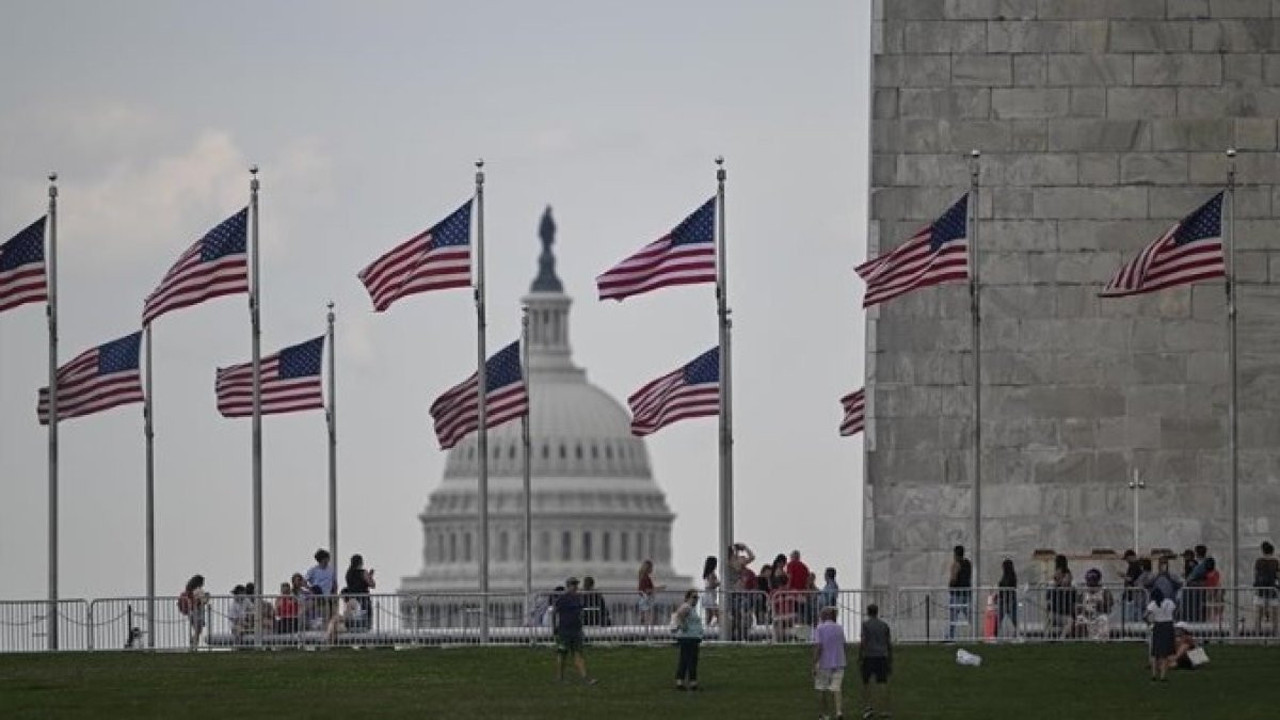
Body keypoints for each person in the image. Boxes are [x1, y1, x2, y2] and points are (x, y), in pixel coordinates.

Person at [553, 577, 597, 685]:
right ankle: (560, 677)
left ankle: (586, 677)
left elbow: (580, 614)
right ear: (568, 586)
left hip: (575, 630)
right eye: (573, 585)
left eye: (576, 585)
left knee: (578, 655)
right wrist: (555, 628)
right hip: (564, 631)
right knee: (562, 655)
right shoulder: (562, 599)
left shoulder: (578, 598)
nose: (576, 587)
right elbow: (555, 612)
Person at [812, 605, 848, 720]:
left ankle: (825, 714)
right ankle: (838, 711)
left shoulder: (820, 628)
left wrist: (814, 662)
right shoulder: (839, 628)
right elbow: (843, 644)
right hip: (839, 661)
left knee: (821, 688)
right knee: (837, 688)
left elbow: (819, 646)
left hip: (824, 662)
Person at [858, 604, 893, 720]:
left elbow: (863, 641)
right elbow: (888, 643)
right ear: (877, 612)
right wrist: (890, 658)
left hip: (869, 656)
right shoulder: (884, 625)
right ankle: (884, 709)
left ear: (868, 612)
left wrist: (860, 655)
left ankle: (868, 708)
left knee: (866, 682)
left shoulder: (865, 625)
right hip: (882, 656)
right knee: (882, 683)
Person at [672, 589, 704, 690]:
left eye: (697, 597)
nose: (696, 600)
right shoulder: (686, 607)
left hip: (692, 637)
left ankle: (684, 681)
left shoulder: (691, 608)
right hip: (688, 638)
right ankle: (689, 682)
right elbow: (679, 615)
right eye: (694, 597)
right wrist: (683, 625)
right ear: (688, 598)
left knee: (687, 660)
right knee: (689, 660)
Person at [725, 542, 756, 640]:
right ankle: (739, 637)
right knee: (738, 617)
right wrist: (744, 547)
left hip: (737, 593)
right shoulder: (732, 563)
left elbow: (751, 557)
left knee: (739, 617)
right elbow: (752, 557)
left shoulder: (730, 563)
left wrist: (742, 548)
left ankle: (740, 637)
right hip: (735, 594)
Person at [1146, 586, 1176, 682]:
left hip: (1158, 625)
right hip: (1168, 625)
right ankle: (1163, 676)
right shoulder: (1169, 602)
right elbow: (1175, 610)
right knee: (1165, 653)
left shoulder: (1153, 604)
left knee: (1155, 652)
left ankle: (1153, 674)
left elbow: (1145, 615)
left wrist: (1149, 623)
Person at [1074, 568, 1114, 641]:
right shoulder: (1083, 591)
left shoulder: (1104, 590)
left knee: (1103, 619)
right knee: (1080, 620)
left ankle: (1102, 641)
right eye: (1089, 580)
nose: (1091, 583)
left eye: (1093, 580)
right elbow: (1077, 605)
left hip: (1100, 614)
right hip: (1086, 614)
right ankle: (1081, 641)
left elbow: (1110, 605)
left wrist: (1100, 605)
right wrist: (1083, 610)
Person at [947, 545, 972, 640]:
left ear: (955, 554)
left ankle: (951, 637)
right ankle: (975, 633)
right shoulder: (968, 563)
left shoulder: (956, 564)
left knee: (953, 618)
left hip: (957, 594)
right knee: (969, 616)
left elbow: (953, 579)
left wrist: (950, 586)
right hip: (966, 593)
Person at [306, 549, 337, 627]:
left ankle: (327, 628)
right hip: (317, 596)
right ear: (322, 559)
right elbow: (304, 581)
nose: (328, 560)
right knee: (319, 614)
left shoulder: (331, 570)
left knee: (329, 614)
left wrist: (335, 593)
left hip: (328, 596)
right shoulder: (313, 570)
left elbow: (334, 583)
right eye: (326, 558)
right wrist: (310, 589)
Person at [178, 574, 209, 650]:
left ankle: (193, 644)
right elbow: (203, 601)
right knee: (198, 630)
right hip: (197, 612)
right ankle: (194, 645)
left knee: (197, 630)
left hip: (191, 612)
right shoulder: (198, 590)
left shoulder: (189, 590)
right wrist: (207, 597)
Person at [1254, 541, 1279, 636]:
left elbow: (1256, 575)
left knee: (1258, 615)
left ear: (1263, 551)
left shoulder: (1258, 561)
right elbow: (1277, 576)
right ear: (1272, 551)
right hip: (1273, 591)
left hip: (1260, 591)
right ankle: (1275, 634)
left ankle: (1257, 634)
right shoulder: (1275, 562)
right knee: (1275, 616)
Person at [344, 553, 376, 624]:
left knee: (354, 618)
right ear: (360, 562)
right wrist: (370, 576)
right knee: (365, 617)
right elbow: (372, 585)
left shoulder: (349, 573)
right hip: (363, 599)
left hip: (352, 599)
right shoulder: (363, 572)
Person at [1050, 554, 1075, 640]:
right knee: (1068, 621)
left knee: (1069, 621)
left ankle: (1062, 638)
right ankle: (1060, 638)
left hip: (1063, 605)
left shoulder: (1065, 573)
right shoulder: (1063, 573)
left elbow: (1064, 583)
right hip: (1059, 606)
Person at [637, 559, 665, 627]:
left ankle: (645, 633)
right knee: (647, 619)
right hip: (646, 600)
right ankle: (646, 635)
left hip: (644, 599)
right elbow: (646, 590)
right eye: (652, 567)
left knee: (645, 619)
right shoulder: (645, 578)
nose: (653, 569)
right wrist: (659, 588)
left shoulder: (643, 577)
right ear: (648, 568)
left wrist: (658, 588)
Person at [996, 557, 1018, 638]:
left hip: (1007, 600)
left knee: (1002, 619)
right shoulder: (1011, 576)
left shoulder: (1008, 577)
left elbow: (1006, 587)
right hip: (1008, 599)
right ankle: (1014, 634)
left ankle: (998, 634)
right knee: (1011, 619)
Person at [701, 556, 720, 627]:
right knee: (717, 613)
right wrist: (719, 583)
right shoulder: (712, 573)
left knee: (709, 615)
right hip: (710, 594)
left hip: (707, 594)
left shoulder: (706, 573)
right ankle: (715, 627)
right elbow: (712, 584)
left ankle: (707, 627)